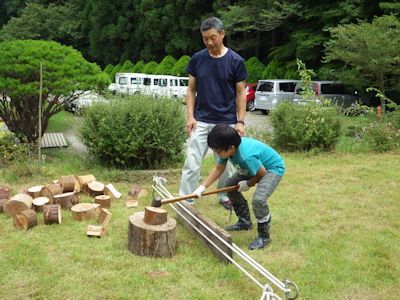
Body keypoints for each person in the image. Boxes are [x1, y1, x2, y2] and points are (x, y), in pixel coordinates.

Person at [179, 17, 247, 209]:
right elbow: (191, 90)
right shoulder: (197, 59)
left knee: (226, 164)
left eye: (213, 38)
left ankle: (224, 196)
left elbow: (241, 93)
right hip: (201, 119)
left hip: (226, 121)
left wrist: (240, 121)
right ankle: (186, 199)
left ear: (222, 34)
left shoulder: (235, 61)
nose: (209, 42)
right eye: (205, 38)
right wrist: (190, 117)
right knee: (192, 161)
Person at [193, 124, 285, 250]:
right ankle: (244, 221)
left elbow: (261, 173)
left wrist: (248, 183)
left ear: (231, 147)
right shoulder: (228, 151)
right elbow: (219, 168)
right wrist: (203, 187)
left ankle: (264, 236)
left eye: (218, 151)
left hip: (271, 169)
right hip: (254, 168)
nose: (217, 154)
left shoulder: (246, 156)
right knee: (230, 186)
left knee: (259, 200)